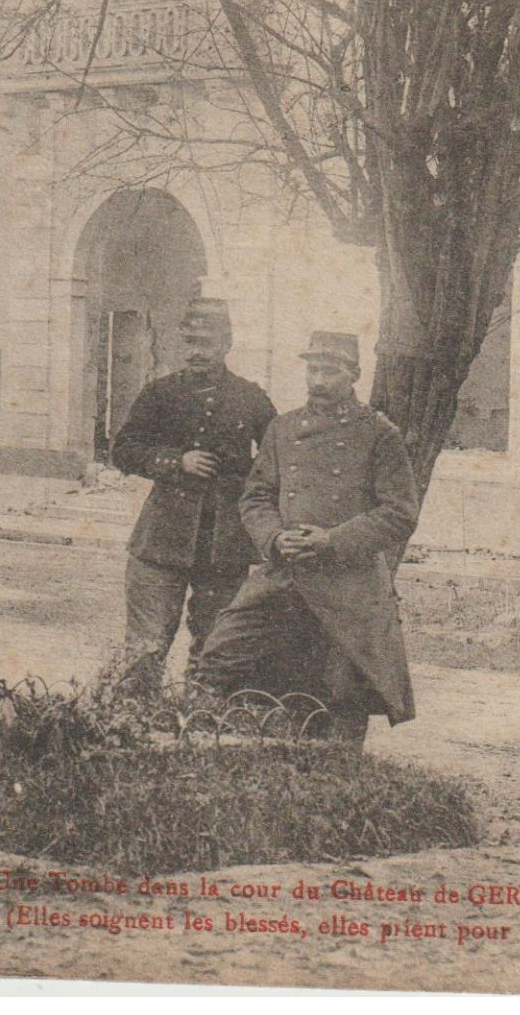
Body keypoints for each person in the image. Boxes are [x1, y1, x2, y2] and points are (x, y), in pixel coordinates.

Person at [191, 331, 419, 748]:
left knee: (344, 686)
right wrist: (274, 537)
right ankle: (223, 753)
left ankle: (343, 772)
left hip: (347, 581)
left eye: (330, 370)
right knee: (220, 653)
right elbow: (256, 496)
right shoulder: (283, 429)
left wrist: (331, 541)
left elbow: (400, 513)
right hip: (284, 570)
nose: (318, 379)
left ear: (353, 375)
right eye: (312, 369)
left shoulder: (379, 435)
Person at [110, 296, 276, 691]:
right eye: (190, 342)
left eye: (207, 343)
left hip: (225, 544)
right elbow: (123, 450)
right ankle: (134, 722)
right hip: (162, 540)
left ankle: (202, 722)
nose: (197, 352)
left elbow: (275, 458)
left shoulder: (250, 397)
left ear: (227, 344)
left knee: (217, 645)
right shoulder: (160, 393)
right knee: (145, 647)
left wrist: (244, 483)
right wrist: (174, 461)